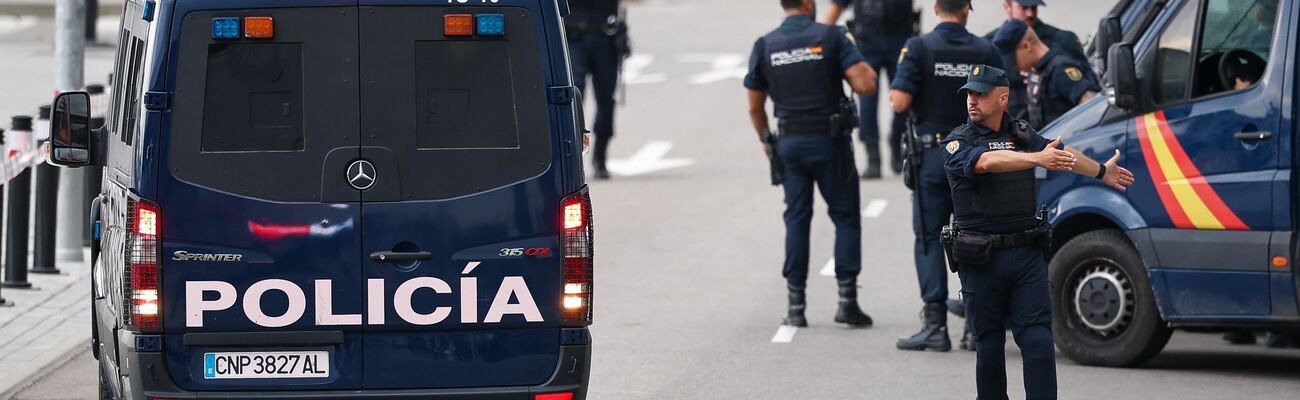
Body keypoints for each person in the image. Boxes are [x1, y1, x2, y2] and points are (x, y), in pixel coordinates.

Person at [943, 65, 1134, 399]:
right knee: (988, 345)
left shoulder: (1020, 132)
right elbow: (986, 163)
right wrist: (1035, 159)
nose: (972, 100)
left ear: (1002, 98)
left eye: (981, 94)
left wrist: (1101, 171)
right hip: (981, 258)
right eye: (969, 93)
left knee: (1038, 342)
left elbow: (1058, 152)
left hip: (1026, 256)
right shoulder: (959, 141)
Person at [745, 0, 878, 328]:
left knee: (797, 218)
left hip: (789, 144)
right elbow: (866, 85)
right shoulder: (832, 37)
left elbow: (754, 105)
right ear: (807, 4)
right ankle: (847, 300)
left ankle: (795, 305)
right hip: (829, 142)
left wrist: (766, 139)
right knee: (845, 217)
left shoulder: (765, 44)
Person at [889, 0, 1000, 352]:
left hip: (934, 157)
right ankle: (975, 325)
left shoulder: (919, 47)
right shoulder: (986, 49)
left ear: (936, 8)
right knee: (976, 238)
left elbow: (899, 102)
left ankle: (936, 325)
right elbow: (1002, 102)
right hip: (976, 157)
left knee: (929, 238)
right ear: (968, 9)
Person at [824, 0, 918, 179]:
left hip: (900, 39)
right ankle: (873, 157)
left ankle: (897, 140)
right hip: (867, 41)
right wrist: (817, 38)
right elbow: (837, 6)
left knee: (903, 96)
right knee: (867, 102)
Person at [984, 0, 1087, 121]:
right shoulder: (990, 46)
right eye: (1024, 7)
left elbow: (1087, 92)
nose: (1030, 13)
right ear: (1007, 6)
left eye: (1034, 7)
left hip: (1058, 126)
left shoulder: (1061, 40)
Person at [993, 19, 1099, 130]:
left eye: (1014, 60)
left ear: (1026, 46)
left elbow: (1093, 105)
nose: (1013, 65)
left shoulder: (1060, 69)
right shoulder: (1038, 70)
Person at [566, 0, 630, 180]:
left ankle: (600, 156)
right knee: (574, 97)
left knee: (606, 98)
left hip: (604, 35)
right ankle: (573, 156)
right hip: (574, 36)